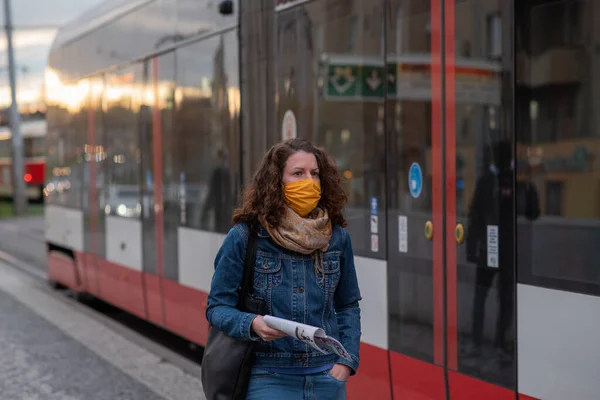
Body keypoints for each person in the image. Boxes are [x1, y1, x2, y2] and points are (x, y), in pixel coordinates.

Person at [206, 138, 362, 399]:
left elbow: (348, 305)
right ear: (276, 182)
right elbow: (216, 307)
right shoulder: (246, 237)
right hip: (269, 378)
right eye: (298, 174)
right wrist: (252, 323)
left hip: (326, 379)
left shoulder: (337, 238)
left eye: (315, 174)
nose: (309, 182)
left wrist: (346, 362)